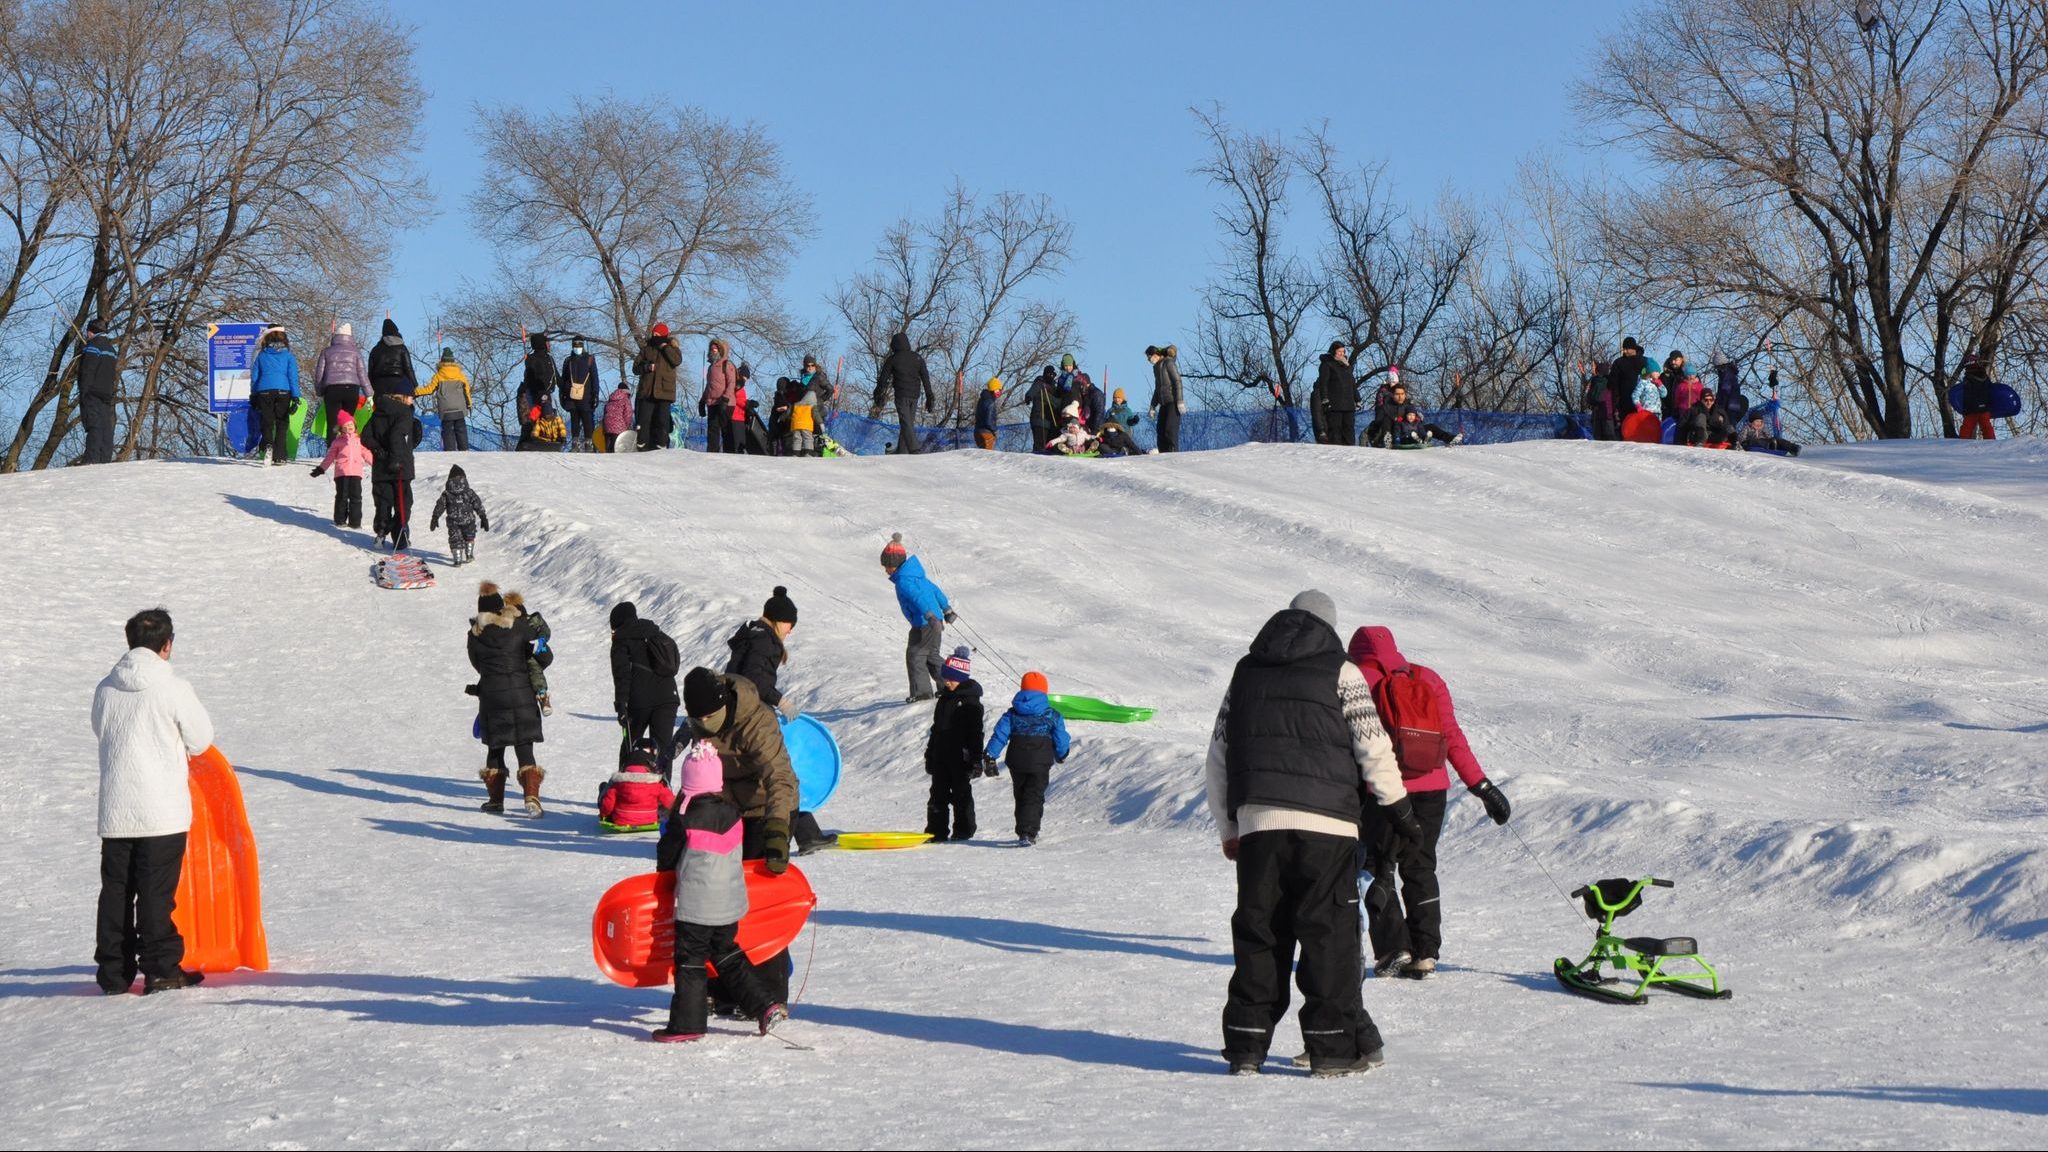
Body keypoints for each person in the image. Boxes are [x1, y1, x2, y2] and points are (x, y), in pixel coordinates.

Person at [1203, 590, 1421, 1077]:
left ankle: (1245, 1049)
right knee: (1329, 938)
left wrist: (1230, 826)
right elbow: (1374, 749)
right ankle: (1331, 1052)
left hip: (1260, 825)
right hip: (1328, 828)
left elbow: (1217, 756)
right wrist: (1400, 811)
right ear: (1330, 627)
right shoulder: (1341, 671)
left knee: (1260, 936)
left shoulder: (1246, 672)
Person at [1347, 626, 1512, 980]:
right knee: (1420, 866)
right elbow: (1451, 737)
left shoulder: (1355, 677)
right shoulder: (1426, 678)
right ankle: (1426, 953)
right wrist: (1481, 786)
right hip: (1433, 789)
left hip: (1381, 789)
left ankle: (1394, 947)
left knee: (1376, 865)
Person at [92, 608, 214, 995]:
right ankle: (161, 969)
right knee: (155, 893)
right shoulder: (174, 688)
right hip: (161, 811)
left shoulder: (105, 688)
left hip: (116, 808)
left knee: (115, 891)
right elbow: (201, 740)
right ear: (167, 645)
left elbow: (101, 730)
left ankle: (113, 974)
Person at [679, 666, 802, 1003]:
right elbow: (697, 774)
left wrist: (778, 830)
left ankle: (769, 990)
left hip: (770, 808)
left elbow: (780, 777)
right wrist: (679, 823)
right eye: (697, 717)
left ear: (722, 705)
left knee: (762, 904)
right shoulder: (700, 723)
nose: (704, 722)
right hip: (728, 809)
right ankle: (725, 988)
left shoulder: (756, 720)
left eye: (709, 715)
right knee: (719, 900)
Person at [651, 742, 788, 1042]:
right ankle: (765, 1005)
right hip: (729, 903)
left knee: (690, 960)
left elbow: (667, 859)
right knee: (728, 955)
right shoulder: (734, 814)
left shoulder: (684, 818)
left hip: (696, 907)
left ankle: (688, 1023)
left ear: (688, 784)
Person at [469, 583, 546, 817]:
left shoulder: (475, 635)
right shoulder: (518, 628)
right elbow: (538, 639)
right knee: (524, 744)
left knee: (495, 745)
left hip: (493, 695)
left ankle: (495, 801)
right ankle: (531, 797)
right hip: (521, 692)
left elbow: (477, 664)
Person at [982, 670, 1069, 846]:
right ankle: (1028, 833)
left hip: (1017, 761)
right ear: (1044, 691)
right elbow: (1061, 737)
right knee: (1034, 796)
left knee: (1021, 795)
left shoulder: (1012, 714)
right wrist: (1062, 753)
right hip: (1040, 762)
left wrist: (990, 755)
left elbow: (1000, 735)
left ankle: (1023, 830)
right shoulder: (1052, 715)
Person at [879, 533, 952, 703]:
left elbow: (916, 598)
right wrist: (946, 609)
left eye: (886, 566)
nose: (885, 570)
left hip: (925, 622)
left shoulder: (904, 581)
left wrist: (929, 615)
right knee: (931, 655)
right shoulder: (917, 575)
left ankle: (922, 693)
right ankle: (948, 686)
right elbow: (935, 591)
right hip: (935, 621)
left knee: (916, 655)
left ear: (894, 564)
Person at [610, 601, 682, 773]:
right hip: (668, 698)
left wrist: (621, 705)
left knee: (631, 744)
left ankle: (624, 785)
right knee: (663, 748)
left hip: (639, 701)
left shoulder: (621, 640)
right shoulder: (654, 632)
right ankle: (662, 792)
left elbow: (622, 676)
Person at [924, 647, 984, 841]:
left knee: (961, 794)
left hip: (960, 758)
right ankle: (936, 831)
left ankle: (964, 830)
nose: (947, 682)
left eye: (952, 679)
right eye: (946, 678)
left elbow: (976, 734)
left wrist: (976, 758)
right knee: (937, 795)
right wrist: (930, 753)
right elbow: (936, 729)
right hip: (941, 756)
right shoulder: (944, 699)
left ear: (963, 679)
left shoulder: (971, 703)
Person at [725, 587, 800, 721]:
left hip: (734, 705)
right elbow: (753, 680)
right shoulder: (764, 640)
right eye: (791, 625)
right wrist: (781, 702)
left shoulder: (755, 635)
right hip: (742, 711)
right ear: (780, 620)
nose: (790, 631)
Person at [364, 392, 422, 551]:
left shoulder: (378, 413)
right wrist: (397, 458)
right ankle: (401, 538)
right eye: (411, 397)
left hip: (381, 468)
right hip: (400, 468)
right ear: (403, 398)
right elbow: (397, 435)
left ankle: (381, 532)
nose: (412, 400)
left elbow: (365, 436)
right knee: (403, 503)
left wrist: (378, 449)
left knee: (383, 502)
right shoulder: (405, 412)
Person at [872, 331, 934, 454]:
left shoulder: (893, 359)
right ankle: (902, 451)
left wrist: (878, 394)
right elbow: (925, 377)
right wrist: (929, 396)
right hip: (915, 395)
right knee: (908, 423)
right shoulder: (917, 358)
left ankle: (914, 448)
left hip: (901, 394)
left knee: (906, 422)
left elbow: (883, 379)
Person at [309, 410, 372, 529]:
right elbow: (330, 457)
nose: (349, 427)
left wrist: (378, 464)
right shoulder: (338, 442)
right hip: (341, 473)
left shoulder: (360, 440)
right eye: (346, 425)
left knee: (356, 497)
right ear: (341, 429)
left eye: (351, 425)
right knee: (342, 497)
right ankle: (340, 520)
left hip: (356, 473)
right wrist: (321, 469)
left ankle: (355, 522)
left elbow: (367, 454)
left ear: (355, 426)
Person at [248, 327, 301, 465]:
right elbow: (293, 377)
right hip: (284, 390)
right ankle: (280, 456)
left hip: (264, 390)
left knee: (267, 422)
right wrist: (295, 397)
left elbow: (255, 377)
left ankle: (268, 446)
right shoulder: (288, 356)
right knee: (282, 423)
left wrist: (253, 394)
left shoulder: (262, 355)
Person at [599, 740, 675, 830]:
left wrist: (603, 814)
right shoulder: (656, 784)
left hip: (622, 820)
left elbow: (608, 804)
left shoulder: (619, 784)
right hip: (649, 819)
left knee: (605, 788)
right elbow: (671, 801)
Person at [313, 325, 368, 446]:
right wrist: (369, 393)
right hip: (352, 390)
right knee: (348, 422)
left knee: (333, 423)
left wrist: (319, 390)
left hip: (332, 390)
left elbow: (319, 373)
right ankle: (347, 448)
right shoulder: (356, 352)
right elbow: (362, 374)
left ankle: (332, 451)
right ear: (350, 337)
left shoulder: (326, 352)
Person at [76, 318, 120, 465]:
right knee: (106, 426)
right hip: (106, 393)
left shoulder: (92, 347)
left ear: (91, 331)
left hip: (92, 392)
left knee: (93, 424)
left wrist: (84, 391)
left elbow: (87, 370)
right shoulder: (111, 349)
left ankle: (92, 460)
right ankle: (105, 459)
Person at [504, 590, 554, 717]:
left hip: (532, 654)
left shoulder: (532, 620)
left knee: (533, 666)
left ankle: (542, 695)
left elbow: (545, 629)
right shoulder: (508, 624)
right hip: (518, 657)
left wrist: (541, 640)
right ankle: (540, 695)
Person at [429, 463, 489, 566]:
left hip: (453, 523)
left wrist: (435, 517)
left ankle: (457, 559)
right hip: (468, 521)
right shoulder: (469, 492)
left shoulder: (447, 493)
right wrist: (483, 517)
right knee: (469, 537)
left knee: (455, 539)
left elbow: (440, 505)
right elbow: (477, 504)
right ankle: (469, 555)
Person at [633, 324, 682, 451]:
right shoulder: (647, 349)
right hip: (647, 392)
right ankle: (642, 446)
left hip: (665, 393)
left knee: (662, 421)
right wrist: (646, 367)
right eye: (653, 334)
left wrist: (665, 347)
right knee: (644, 421)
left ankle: (661, 446)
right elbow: (635, 368)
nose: (654, 336)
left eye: (657, 335)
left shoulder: (673, 348)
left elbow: (676, 360)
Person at [1372, 382, 1460, 447]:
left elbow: (1416, 420)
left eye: (1402, 394)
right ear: (1392, 395)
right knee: (1386, 420)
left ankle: (1450, 438)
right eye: (1397, 394)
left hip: (1413, 431)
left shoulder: (1409, 405)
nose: (1400, 396)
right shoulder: (1386, 407)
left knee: (1431, 426)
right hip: (1397, 434)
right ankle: (1388, 440)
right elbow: (1378, 423)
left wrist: (1418, 418)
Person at [1310, 341, 1358, 446]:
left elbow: (1352, 383)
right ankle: (1335, 450)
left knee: (1348, 427)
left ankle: (1350, 449)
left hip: (1348, 403)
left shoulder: (1346, 366)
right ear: (1333, 351)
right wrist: (1325, 398)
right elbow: (1324, 383)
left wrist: (1357, 398)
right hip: (1335, 403)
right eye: (1339, 351)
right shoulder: (1327, 365)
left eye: (1343, 351)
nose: (1342, 353)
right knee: (1335, 429)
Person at [424, 348, 472, 451]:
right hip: (460, 408)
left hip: (446, 410)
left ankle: (450, 453)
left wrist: (415, 392)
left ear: (442, 361)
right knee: (461, 430)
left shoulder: (438, 376)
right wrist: (469, 404)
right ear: (453, 361)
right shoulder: (460, 375)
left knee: (448, 431)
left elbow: (429, 389)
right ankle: (464, 451)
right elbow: (467, 390)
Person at [558, 337, 600, 452]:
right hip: (572, 397)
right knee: (574, 421)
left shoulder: (590, 360)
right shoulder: (568, 361)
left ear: (583, 346)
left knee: (587, 421)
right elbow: (564, 379)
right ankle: (575, 445)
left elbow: (595, 378)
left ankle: (589, 444)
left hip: (587, 397)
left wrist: (595, 394)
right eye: (575, 346)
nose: (577, 348)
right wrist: (563, 394)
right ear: (572, 346)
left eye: (579, 346)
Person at [700, 338, 738, 453]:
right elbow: (709, 386)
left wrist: (725, 399)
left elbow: (732, 383)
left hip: (725, 402)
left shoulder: (727, 364)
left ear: (721, 350)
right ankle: (712, 454)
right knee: (712, 430)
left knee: (726, 429)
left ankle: (729, 454)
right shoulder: (711, 367)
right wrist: (702, 401)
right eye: (711, 349)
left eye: (715, 349)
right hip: (712, 402)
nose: (713, 350)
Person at [366, 318, 418, 398]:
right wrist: (414, 384)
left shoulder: (375, 350)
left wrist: (370, 388)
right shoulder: (402, 348)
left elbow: (371, 372)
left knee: (381, 409)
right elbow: (408, 368)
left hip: (379, 385)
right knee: (397, 408)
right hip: (398, 384)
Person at [1147, 344, 1183, 453]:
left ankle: (1173, 453)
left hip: (1173, 402)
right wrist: (1153, 406)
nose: (1149, 360)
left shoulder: (1168, 363)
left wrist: (1180, 401)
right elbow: (1157, 389)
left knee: (1170, 430)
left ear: (1155, 354)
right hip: (1163, 403)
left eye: (1150, 357)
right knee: (1160, 430)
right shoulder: (1156, 368)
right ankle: (1163, 454)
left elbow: (1177, 381)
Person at [1957, 354, 1998, 440]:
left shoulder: (1968, 378)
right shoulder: (1985, 377)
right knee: (1987, 427)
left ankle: (1961, 445)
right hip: (1984, 407)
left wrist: (1965, 408)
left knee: (1967, 427)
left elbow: (1967, 395)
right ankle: (1992, 443)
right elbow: (1990, 391)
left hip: (1972, 409)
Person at [1025, 366, 1060, 454]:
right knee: (1039, 444)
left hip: (1049, 421)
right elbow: (1032, 390)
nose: (1051, 376)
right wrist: (1029, 397)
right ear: (1044, 374)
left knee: (1048, 445)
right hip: (1039, 419)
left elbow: (1057, 401)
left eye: (1052, 374)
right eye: (1048, 374)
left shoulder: (1053, 388)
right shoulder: (1040, 383)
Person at [603, 382, 634, 452]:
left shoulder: (610, 399)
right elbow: (628, 414)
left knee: (608, 448)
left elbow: (605, 412)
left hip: (607, 426)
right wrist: (627, 425)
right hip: (619, 427)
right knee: (617, 448)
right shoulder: (626, 399)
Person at [1659, 351, 1690, 420]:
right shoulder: (1664, 376)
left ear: (1681, 360)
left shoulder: (1688, 374)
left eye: (1675, 360)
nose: (1673, 362)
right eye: (1671, 360)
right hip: (1667, 411)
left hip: (1684, 411)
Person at [973, 378, 1002, 450]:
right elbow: (988, 421)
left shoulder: (982, 400)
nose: (1000, 392)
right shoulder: (990, 402)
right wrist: (994, 430)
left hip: (977, 431)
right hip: (987, 433)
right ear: (995, 390)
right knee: (987, 457)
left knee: (981, 456)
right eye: (1000, 389)